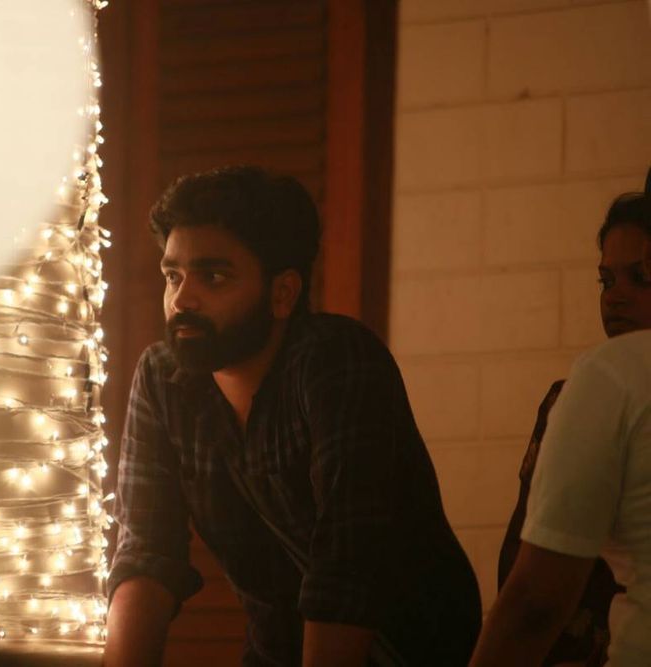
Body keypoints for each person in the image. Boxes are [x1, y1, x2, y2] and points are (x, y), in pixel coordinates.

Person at [104, 166, 481, 667]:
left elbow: (348, 566)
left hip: (412, 652)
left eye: (213, 277)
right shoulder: (162, 378)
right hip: (276, 650)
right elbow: (145, 555)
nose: (182, 299)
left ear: (282, 294)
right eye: (173, 276)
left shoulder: (336, 361)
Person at [470, 172, 651, 666]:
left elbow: (534, 599)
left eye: (640, 276)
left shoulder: (609, 377)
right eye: (606, 280)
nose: (614, 297)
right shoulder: (585, 391)